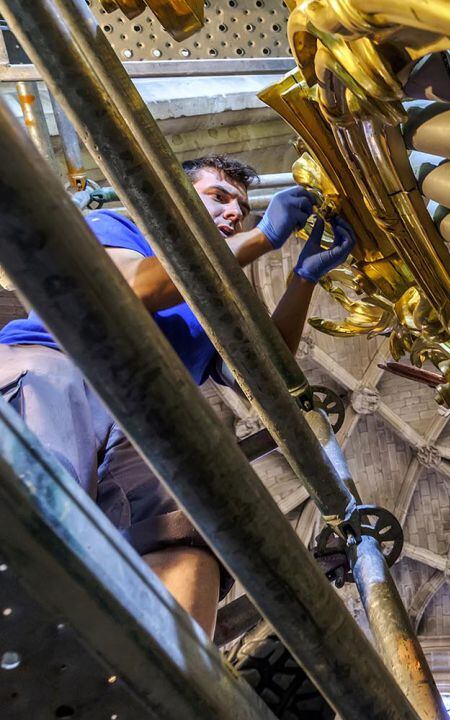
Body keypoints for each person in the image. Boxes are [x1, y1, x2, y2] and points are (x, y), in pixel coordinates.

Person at [0, 154, 355, 636]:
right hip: (58, 372)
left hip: (143, 422)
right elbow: (130, 285)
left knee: (193, 525)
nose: (235, 213)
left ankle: (173, 669)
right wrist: (263, 239)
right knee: (38, 504)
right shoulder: (119, 227)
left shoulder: (214, 296)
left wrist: (302, 281)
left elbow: (264, 376)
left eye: (244, 210)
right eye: (219, 197)